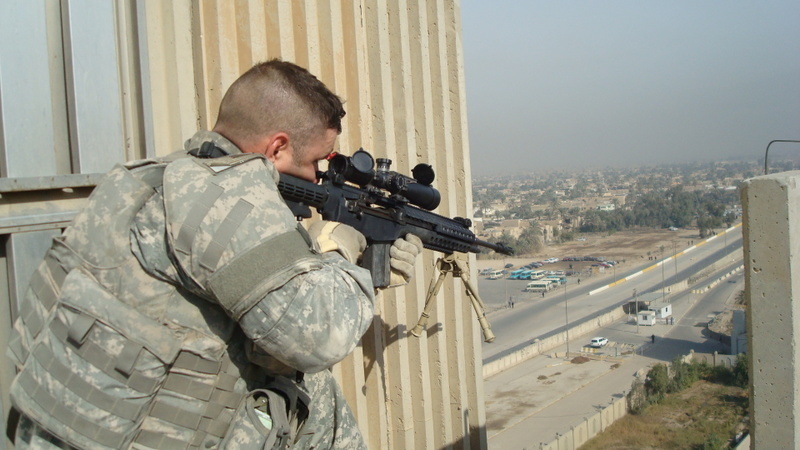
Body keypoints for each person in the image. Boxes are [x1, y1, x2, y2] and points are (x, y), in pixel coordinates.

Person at [6, 60, 422, 449]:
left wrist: (344, 260)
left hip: (57, 415)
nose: (319, 176)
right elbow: (320, 338)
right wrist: (341, 255)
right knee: (310, 392)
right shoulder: (230, 197)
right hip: (117, 435)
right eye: (317, 160)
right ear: (277, 148)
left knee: (311, 393)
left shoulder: (159, 174)